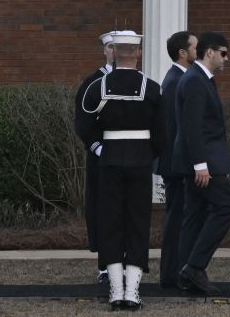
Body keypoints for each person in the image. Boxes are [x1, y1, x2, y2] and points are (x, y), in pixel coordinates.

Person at [82, 31, 165, 311]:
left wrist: (100, 149)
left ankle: (115, 291)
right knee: (138, 223)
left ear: (114, 52)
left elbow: (84, 125)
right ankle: (132, 292)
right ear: (138, 53)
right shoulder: (152, 88)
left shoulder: (97, 87)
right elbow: (164, 131)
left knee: (111, 224)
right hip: (140, 161)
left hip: (110, 161)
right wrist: (149, 153)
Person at [173, 31, 230, 297]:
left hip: (200, 161)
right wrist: (201, 164)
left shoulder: (199, 79)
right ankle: (194, 267)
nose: (226, 58)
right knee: (226, 208)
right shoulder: (196, 81)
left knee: (196, 214)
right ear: (209, 52)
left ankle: (186, 275)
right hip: (203, 163)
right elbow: (192, 128)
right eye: (223, 53)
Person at [74, 31, 119, 290]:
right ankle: (104, 266)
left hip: (129, 157)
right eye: (111, 47)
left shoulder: (135, 82)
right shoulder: (92, 83)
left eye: (119, 47)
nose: (115, 52)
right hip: (101, 158)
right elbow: (83, 122)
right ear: (105, 50)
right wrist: (98, 148)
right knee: (103, 211)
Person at [156, 31, 195, 293]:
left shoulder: (178, 79)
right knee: (176, 220)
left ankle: (179, 271)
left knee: (181, 218)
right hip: (176, 165)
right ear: (182, 52)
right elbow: (174, 129)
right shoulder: (175, 82)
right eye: (195, 47)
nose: (199, 50)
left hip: (178, 164)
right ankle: (171, 275)